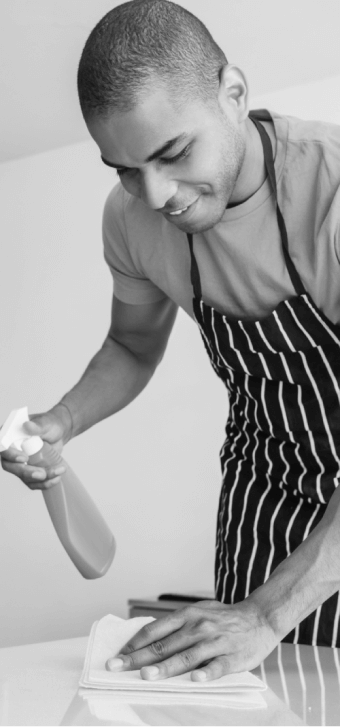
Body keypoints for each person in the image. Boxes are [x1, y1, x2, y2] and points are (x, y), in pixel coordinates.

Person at [2, 0, 340, 683]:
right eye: (124, 169)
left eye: (173, 153)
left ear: (234, 95)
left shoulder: (330, 189)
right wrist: (60, 423)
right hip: (265, 492)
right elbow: (131, 345)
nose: (155, 194)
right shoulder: (132, 221)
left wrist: (269, 614)